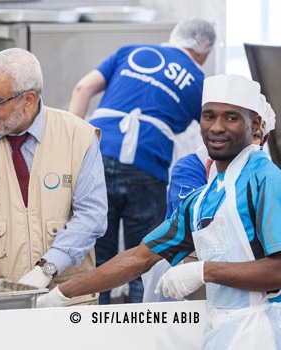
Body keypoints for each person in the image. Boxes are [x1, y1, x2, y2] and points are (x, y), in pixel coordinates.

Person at [40, 74, 281, 349]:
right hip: (221, 330)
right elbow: (138, 257)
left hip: (263, 332)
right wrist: (60, 294)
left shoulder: (266, 180)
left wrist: (204, 271)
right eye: (208, 116)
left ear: (256, 124)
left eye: (231, 118)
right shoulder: (202, 199)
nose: (216, 128)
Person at [0, 48, 107, 305]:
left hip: (65, 300)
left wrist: (46, 269)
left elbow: (91, 217)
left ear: (28, 100)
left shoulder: (79, 138)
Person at [67, 18, 217, 303]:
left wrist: (70, 152)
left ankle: (91, 336)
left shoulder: (131, 51)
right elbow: (213, 133)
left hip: (96, 154)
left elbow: (82, 89)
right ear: (204, 50)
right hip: (146, 165)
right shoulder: (198, 81)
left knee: (99, 259)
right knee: (141, 260)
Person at [141, 106, 275, 303]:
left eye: (255, 138)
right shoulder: (190, 167)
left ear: (264, 140)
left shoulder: (266, 177)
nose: (247, 145)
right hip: (184, 272)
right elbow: (201, 228)